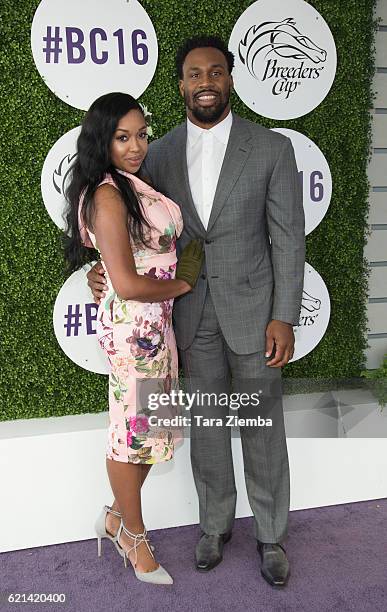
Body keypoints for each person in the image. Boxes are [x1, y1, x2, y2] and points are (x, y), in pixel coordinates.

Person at [87, 36, 305, 587]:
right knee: (206, 426)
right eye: (192, 74)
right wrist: (103, 272)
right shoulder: (154, 154)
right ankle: (214, 526)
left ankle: (272, 535)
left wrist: (284, 315)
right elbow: (135, 232)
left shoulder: (273, 149)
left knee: (261, 425)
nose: (203, 81)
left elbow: (289, 238)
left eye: (214, 71)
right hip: (187, 318)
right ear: (181, 84)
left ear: (230, 79)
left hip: (256, 314)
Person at [64, 92, 204, 585]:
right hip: (134, 331)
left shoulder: (130, 185)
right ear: (103, 139)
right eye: (123, 137)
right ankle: (134, 537)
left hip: (155, 326)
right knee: (133, 434)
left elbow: (123, 262)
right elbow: (124, 282)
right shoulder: (105, 193)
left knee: (151, 432)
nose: (137, 145)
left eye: (142, 134)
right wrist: (181, 284)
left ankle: (115, 517)